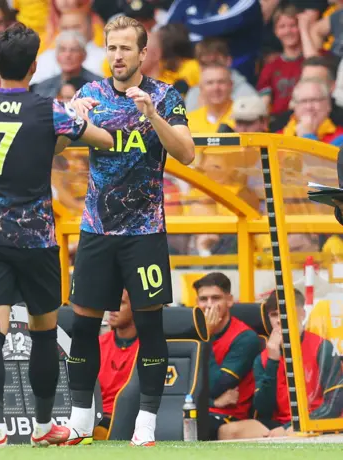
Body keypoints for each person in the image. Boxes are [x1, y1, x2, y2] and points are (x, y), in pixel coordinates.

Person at [0, 23, 113, 447]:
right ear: (35, 66)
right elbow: (104, 141)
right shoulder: (50, 109)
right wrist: (80, 120)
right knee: (43, 333)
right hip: (36, 241)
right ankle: (40, 426)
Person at [65, 15, 195, 447]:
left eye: (125, 48)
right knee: (83, 326)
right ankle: (82, 418)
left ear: (143, 53)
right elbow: (57, 147)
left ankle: (146, 423)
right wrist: (69, 120)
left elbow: (187, 154)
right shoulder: (90, 94)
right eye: (111, 47)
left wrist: (152, 115)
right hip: (97, 229)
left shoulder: (164, 95)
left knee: (150, 327)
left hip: (144, 232)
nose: (117, 55)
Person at [218, 290, 343, 439]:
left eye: (285, 312)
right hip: (281, 424)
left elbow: (334, 405)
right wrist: (272, 361)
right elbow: (263, 410)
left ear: (302, 314)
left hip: (318, 422)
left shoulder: (322, 347)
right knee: (227, 431)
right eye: (274, 314)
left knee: (292, 433)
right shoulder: (263, 358)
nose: (279, 320)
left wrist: (293, 427)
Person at [193, 272, 261, 440]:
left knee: (190, 430)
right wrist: (212, 402)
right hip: (195, 409)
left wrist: (205, 339)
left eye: (216, 298)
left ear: (229, 300)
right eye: (203, 299)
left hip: (228, 417)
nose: (209, 305)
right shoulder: (187, 332)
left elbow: (217, 386)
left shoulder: (245, 338)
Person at [96, 290, 137, 440]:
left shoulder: (149, 347)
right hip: (98, 416)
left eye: (120, 303)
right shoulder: (98, 344)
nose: (112, 309)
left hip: (130, 418)